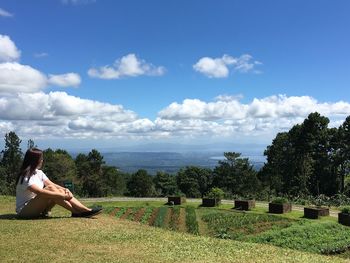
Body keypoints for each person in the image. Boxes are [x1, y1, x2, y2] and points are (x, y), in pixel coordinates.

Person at [16, 148, 102, 219]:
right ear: (34, 160)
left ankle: (84, 210)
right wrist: (63, 196)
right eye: (40, 159)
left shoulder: (39, 173)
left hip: (37, 206)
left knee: (54, 189)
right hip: (25, 211)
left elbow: (51, 184)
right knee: (50, 189)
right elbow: (40, 192)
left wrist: (65, 190)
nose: (42, 160)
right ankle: (78, 212)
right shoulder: (25, 177)